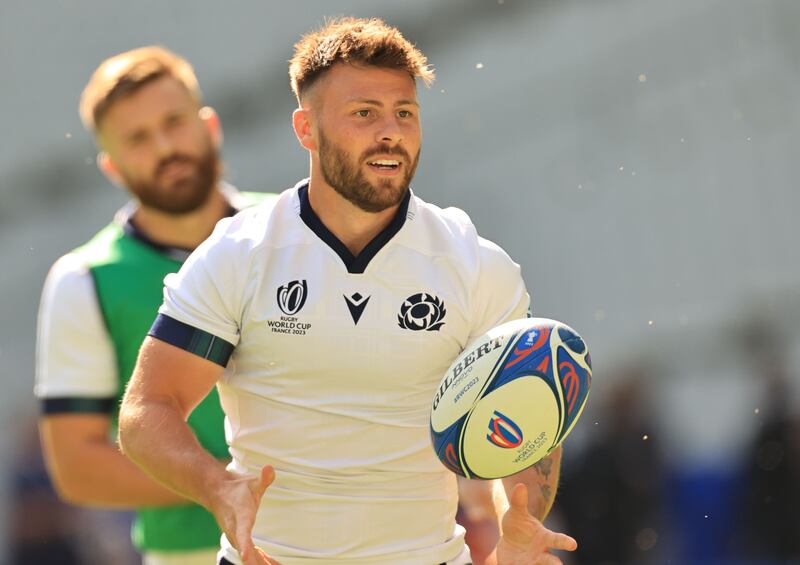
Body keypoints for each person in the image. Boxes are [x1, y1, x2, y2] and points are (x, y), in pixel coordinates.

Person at [118, 18, 577, 565]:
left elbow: (524, 417)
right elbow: (147, 410)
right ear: (305, 129)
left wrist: (518, 518)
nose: (391, 132)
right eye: (365, 113)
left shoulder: (473, 262)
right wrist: (217, 488)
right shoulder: (239, 254)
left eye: (404, 113)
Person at [35, 46, 277, 565]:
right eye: (138, 138)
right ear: (111, 166)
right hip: (189, 554)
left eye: (174, 122)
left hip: (345, 540)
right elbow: (76, 465)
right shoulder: (85, 280)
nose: (166, 147)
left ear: (208, 125)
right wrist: (220, 484)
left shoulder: (293, 226)